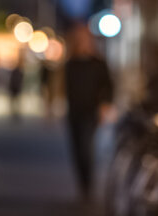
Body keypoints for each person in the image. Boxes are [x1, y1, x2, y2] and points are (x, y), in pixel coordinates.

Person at [64, 23, 114, 199]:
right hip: (73, 111)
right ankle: (83, 184)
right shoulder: (71, 62)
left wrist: (105, 105)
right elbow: (64, 87)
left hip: (90, 111)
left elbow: (108, 86)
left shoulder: (98, 63)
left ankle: (88, 186)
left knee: (86, 147)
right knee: (77, 149)